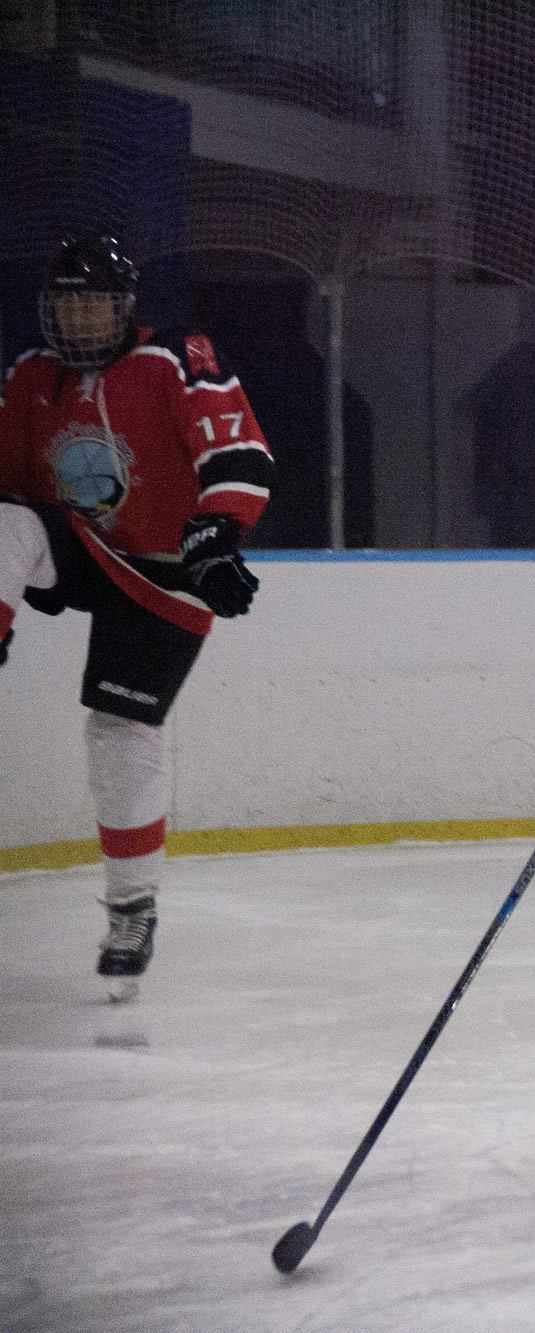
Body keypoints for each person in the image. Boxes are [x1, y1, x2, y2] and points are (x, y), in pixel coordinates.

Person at [0, 232, 272, 996]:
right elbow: (8, 487)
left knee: (117, 732)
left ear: (124, 307)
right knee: (7, 524)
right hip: (84, 548)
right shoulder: (31, 375)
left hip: (164, 572)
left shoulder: (175, 358)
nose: (79, 318)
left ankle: (131, 906)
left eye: (93, 303)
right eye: (67, 304)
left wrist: (216, 532)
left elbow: (240, 452)